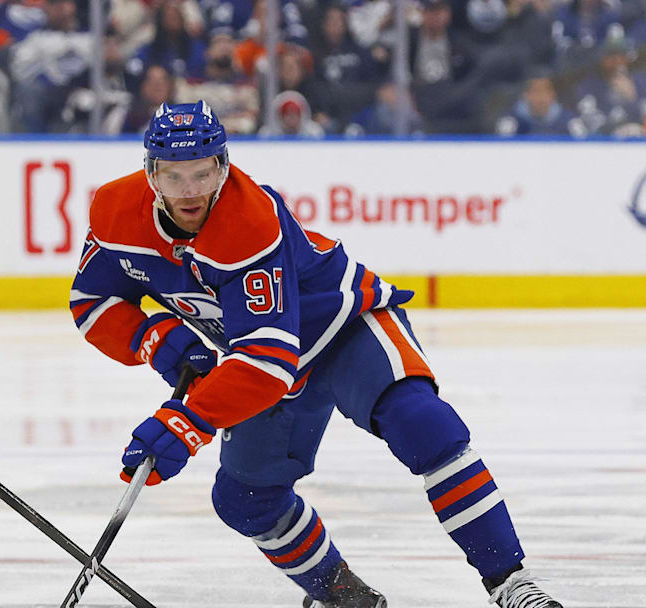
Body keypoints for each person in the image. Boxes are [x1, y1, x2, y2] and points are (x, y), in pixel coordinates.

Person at [68, 101, 564, 608]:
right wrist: (159, 342)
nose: (191, 191)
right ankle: (343, 596)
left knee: (424, 424)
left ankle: (510, 582)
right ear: (150, 173)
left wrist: (186, 421)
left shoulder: (250, 218)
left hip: (344, 328)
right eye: (174, 177)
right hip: (261, 361)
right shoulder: (114, 211)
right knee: (245, 501)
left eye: (204, 172)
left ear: (224, 165)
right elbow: (92, 302)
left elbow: (268, 358)